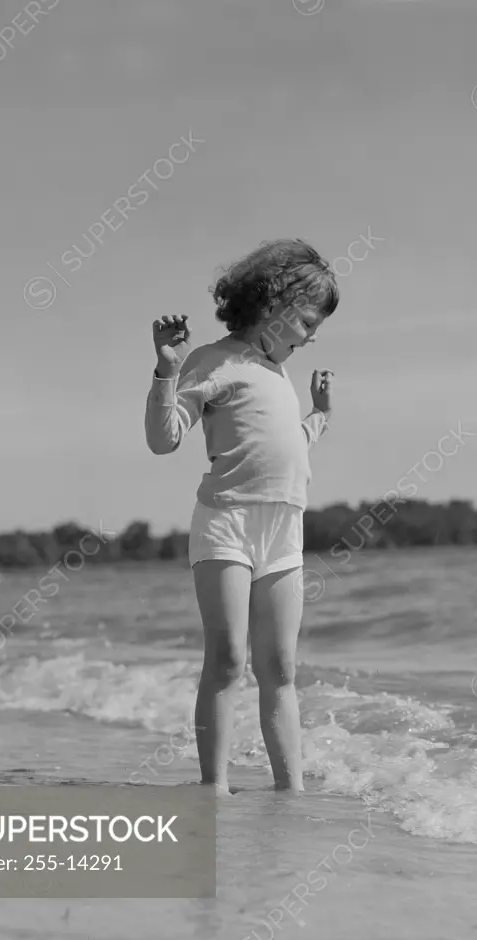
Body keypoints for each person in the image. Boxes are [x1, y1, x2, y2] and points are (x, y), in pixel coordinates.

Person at [144, 239, 339, 792]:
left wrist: (320, 417)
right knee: (228, 660)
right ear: (274, 303)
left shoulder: (278, 375)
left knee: (280, 669)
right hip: (226, 522)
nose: (311, 335)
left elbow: (287, 447)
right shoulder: (213, 361)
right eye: (306, 321)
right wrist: (166, 370)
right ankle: (215, 788)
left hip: (284, 532)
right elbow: (164, 439)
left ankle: (291, 790)